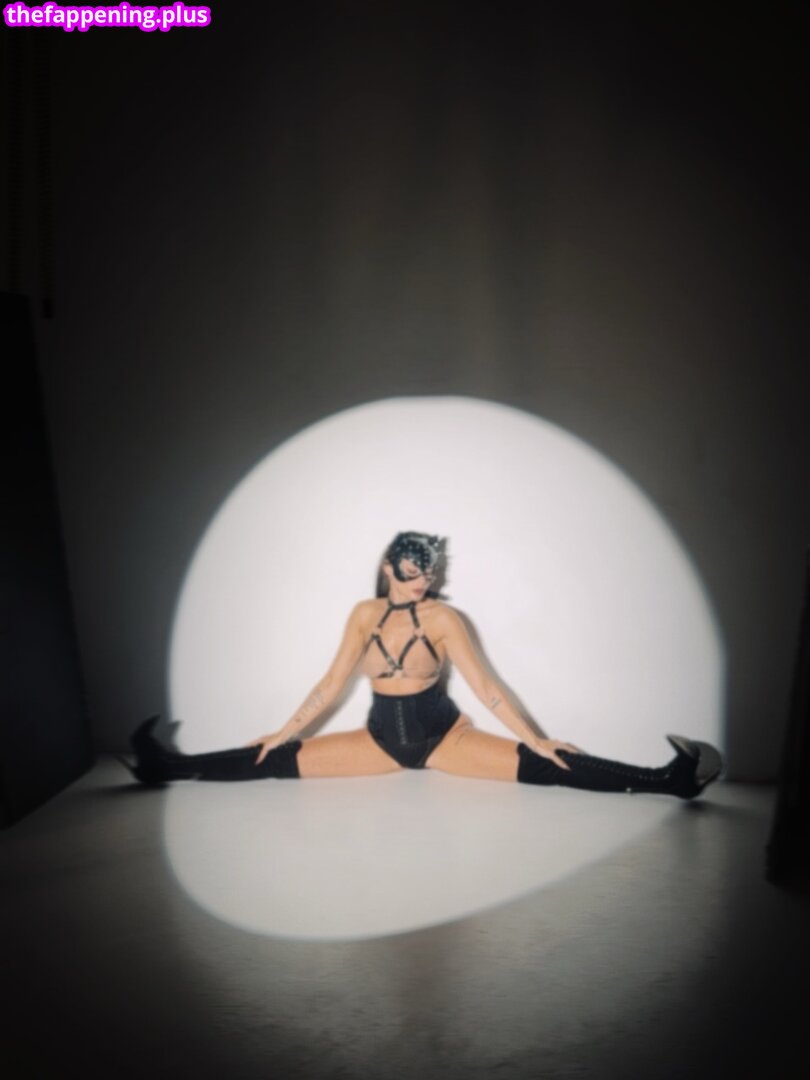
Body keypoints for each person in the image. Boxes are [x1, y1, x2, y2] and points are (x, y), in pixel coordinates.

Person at [121, 531, 723, 797]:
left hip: (444, 740)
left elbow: (486, 687)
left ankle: (670, 780)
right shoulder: (363, 613)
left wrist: (535, 738)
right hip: (380, 742)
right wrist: (284, 731)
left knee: (551, 765)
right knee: (269, 759)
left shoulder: (444, 619)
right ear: (389, 568)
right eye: (411, 575)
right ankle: (164, 767)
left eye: (428, 576)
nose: (421, 585)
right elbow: (331, 684)